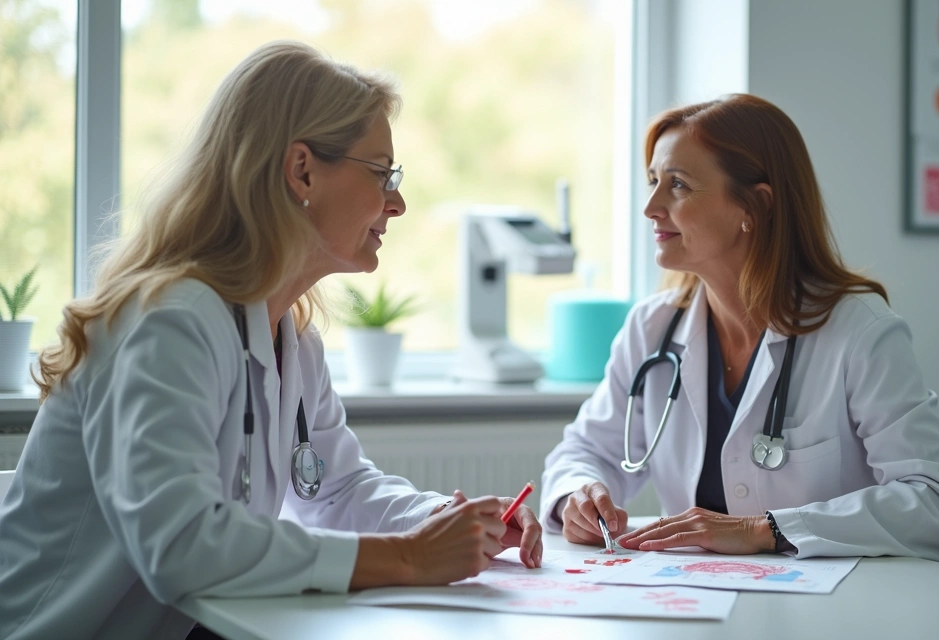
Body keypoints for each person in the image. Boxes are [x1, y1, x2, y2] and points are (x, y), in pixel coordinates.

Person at [0, 41, 542, 640]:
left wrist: (443, 522)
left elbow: (335, 488)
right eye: (382, 172)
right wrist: (411, 558)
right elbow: (181, 545)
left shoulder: (287, 331)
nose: (398, 202)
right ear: (302, 170)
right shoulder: (168, 320)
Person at [540, 94, 939, 561]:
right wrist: (579, 495)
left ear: (754, 205)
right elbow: (586, 450)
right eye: (652, 182)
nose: (650, 206)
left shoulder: (859, 332)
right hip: (698, 605)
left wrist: (763, 529)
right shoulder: (653, 328)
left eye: (679, 186)